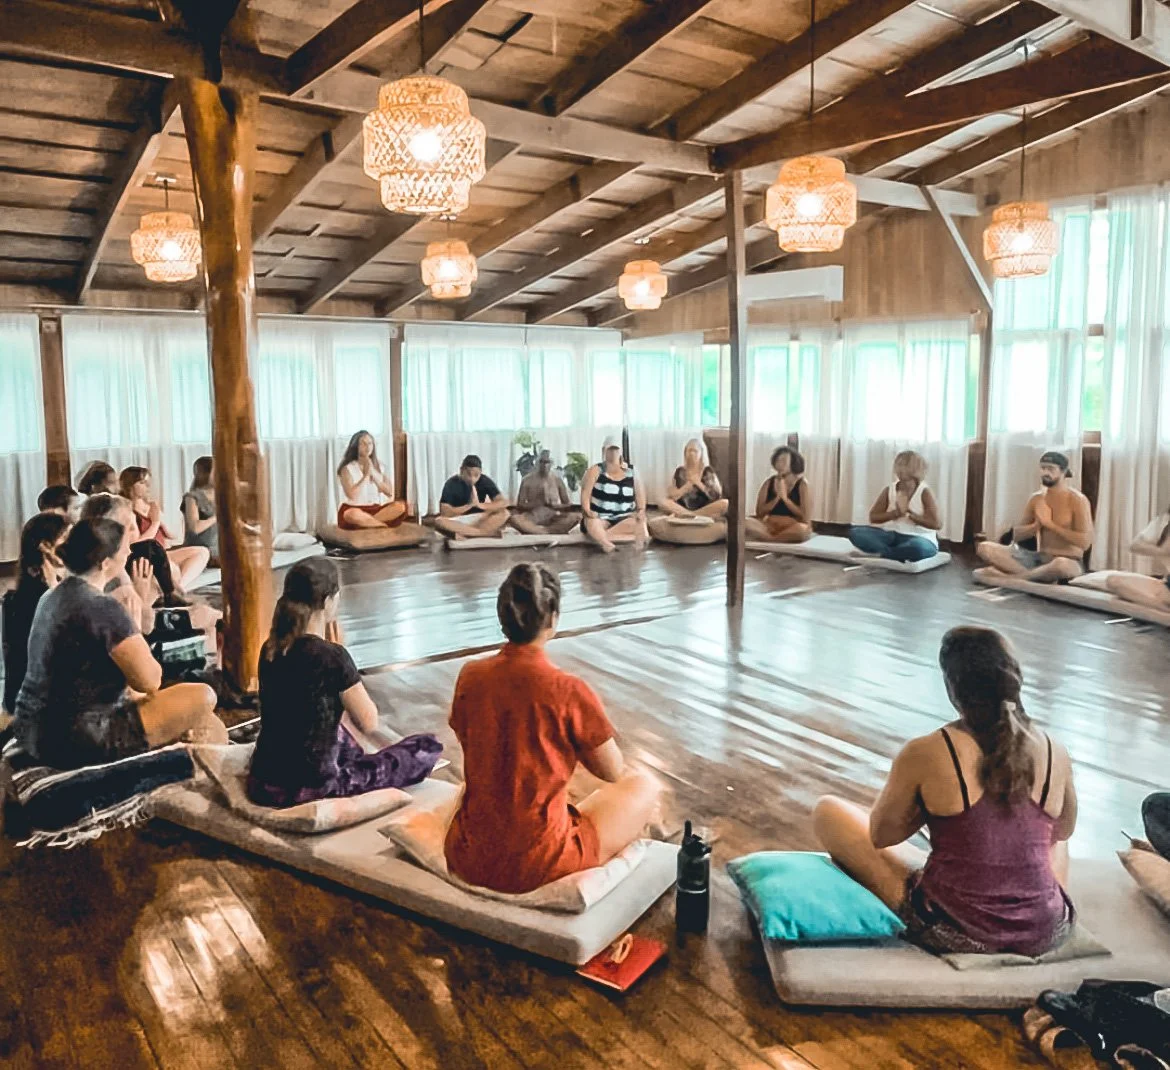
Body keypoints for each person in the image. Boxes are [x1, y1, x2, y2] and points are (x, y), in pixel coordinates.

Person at [813, 626, 1077, 957]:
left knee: (828, 811)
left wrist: (928, 808)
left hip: (955, 930)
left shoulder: (928, 751)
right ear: (1016, 681)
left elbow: (882, 835)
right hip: (1046, 932)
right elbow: (1063, 831)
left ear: (953, 689)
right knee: (1054, 834)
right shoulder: (1056, 750)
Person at [445, 564, 662, 894]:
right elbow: (612, 770)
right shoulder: (567, 690)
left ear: (503, 616)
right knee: (643, 786)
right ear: (553, 618)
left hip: (467, 855)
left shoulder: (470, 675)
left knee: (484, 793)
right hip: (540, 864)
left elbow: (473, 741)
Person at [13, 517, 224, 769]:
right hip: (78, 737)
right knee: (203, 696)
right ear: (106, 562)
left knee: (176, 703)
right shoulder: (102, 606)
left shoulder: (50, 595)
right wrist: (136, 619)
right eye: (124, 547)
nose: (129, 551)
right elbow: (149, 680)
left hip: (31, 728)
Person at [246, 558, 441, 807]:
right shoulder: (332, 656)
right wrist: (344, 659)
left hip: (262, 782)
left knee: (337, 732)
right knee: (426, 747)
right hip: (312, 788)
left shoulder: (271, 648)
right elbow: (369, 722)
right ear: (328, 601)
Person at [976, 451, 1093, 583]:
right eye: (1043, 468)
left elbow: (1084, 543)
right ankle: (1035, 577)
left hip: (1069, 560)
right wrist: (1036, 525)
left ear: (1064, 471)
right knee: (984, 547)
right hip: (1039, 559)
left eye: (1051, 469)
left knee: (1061, 565)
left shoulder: (1078, 500)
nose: (1045, 473)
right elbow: (1017, 536)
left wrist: (1050, 525)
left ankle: (1014, 578)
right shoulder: (1037, 499)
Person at [3, 512, 70, 715]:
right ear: (46, 548)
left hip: (29, 701)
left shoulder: (33, 592)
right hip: (39, 708)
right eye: (66, 540)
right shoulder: (32, 599)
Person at [81, 493, 164, 634]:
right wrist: (141, 595)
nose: (136, 534)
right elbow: (144, 628)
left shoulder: (114, 567)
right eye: (130, 528)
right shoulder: (103, 572)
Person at [119, 466, 209, 592]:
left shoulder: (152, 505)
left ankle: (179, 589)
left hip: (163, 551)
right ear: (129, 485)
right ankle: (171, 590)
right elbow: (137, 545)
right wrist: (155, 523)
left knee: (202, 552)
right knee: (173, 570)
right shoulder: (126, 510)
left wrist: (161, 519)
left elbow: (173, 536)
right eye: (142, 483)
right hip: (145, 556)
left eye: (148, 483)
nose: (147, 487)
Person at [847, 450, 941, 563]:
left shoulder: (924, 492)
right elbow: (873, 517)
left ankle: (883, 554)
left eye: (904, 465)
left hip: (919, 538)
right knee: (856, 533)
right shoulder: (889, 489)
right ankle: (892, 553)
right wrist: (895, 513)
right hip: (891, 536)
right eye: (898, 465)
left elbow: (937, 524)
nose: (899, 469)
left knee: (919, 548)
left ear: (915, 469)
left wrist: (910, 515)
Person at [580, 437, 649, 553]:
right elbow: (585, 495)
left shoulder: (632, 472)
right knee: (591, 521)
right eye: (610, 450)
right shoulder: (595, 470)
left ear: (620, 451)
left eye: (616, 450)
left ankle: (601, 537)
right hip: (601, 517)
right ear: (604, 451)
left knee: (639, 523)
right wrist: (588, 511)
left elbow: (641, 500)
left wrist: (641, 512)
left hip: (624, 518)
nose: (613, 453)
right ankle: (606, 543)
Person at [336, 431, 407, 531]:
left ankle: (370, 523)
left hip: (375, 510)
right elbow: (352, 495)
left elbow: (389, 492)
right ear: (355, 446)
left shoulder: (380, 467)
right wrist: (365, 476)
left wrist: (373, 474)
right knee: (351, 514)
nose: (367, 447)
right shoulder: (347, 469)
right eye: (363, 443)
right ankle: (383, 527)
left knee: (400, 506)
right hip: (354, 510)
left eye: (370, 443)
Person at [1103, 506, 1170, 610]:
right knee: (1114, 581)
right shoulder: (1164, 520)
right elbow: (1135, 545)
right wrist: (1162, 551)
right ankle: (1163, 608)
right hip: (1167, 585)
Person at [745, 446, 813, 543]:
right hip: (770, 526)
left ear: (793, 463)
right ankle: (774, 540)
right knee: (744, 522)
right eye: (778, 460)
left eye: (784, 460)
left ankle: (770, 540)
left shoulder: (802, 485)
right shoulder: (768, 483)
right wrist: (777, 498)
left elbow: (805, 518)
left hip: (792, 527)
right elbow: (759, 512)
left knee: (802, 530)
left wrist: (785, 499)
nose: (780, 463)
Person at [435, 454, 510, 539]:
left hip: (479, 519)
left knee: (505, 513)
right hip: (459, 520)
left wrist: (480, 505)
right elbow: (445, 512)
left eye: (476, 475)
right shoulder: (451, 483)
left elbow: (503, 502)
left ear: (480, 472)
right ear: (461, 470)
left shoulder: (484, 480)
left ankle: (469, 533)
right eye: (468, 474)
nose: (472, 479)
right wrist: (469, 505)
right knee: (439, 522)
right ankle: (485, 533)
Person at [511, 450, 578, 536]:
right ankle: (547, 532)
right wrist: (537, 503)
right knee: (514, 519)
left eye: (547, 462)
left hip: (553, 516)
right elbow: (520, 505)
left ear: (551, 463)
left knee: (576, 517)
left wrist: (555, 506)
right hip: (533, 515)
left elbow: (567, 504)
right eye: (542, 462)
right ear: (537, 463)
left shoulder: (557, 480)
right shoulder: (527, 480)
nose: (544, 465)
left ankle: (540, 531)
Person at [659, 439, 728, 520]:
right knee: (663, 501)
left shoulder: (708, 471)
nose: (691, 454)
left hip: (705, 508)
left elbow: (716, 495)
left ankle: (689, 515)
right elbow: (673, 496)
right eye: (689, 451)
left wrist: (698, 483)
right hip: (683, 507)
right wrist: (685, 488)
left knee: (725, 503)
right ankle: (692, 515)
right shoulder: (680, 471)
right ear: (685, 453)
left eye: (695, 451)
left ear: (701, 454)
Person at [182, 456, 219, 563]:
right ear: (204, 474)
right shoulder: (192, 497)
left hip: (220, 550)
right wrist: (217, 517)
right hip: (200, 551)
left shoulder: (222, 496)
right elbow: (195, 528)